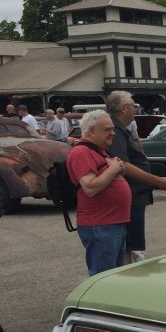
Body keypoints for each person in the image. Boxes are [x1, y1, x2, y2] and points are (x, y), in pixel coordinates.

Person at [105, 91, 166, 264]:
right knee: (128, 246)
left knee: (133, 244)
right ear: (123, 108)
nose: (135, 108)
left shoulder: (123, 129)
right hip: (129, 197)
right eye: (133, 105)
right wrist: (157, 180)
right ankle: (127, 281)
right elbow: (123, 165)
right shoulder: (115, 130)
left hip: (136, 195)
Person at [66, 111, 130, 275]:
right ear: (91, 131)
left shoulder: (98, 150)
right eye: (107, 130)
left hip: (112, 224)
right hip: (100, 225)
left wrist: (116, 169)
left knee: (114, 276)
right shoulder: (81, 152)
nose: (113, 133)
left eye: (113, 129)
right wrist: (114, 168)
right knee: (103, 278)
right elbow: (90, 187)